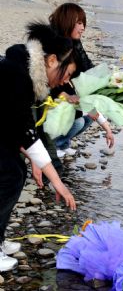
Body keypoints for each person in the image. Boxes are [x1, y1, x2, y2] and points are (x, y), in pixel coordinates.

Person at [0, 22, 77, 272]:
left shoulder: (24, 68)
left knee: (17, 171)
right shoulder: (18, 75)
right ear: (52, 60)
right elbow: (24, 130)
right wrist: (59, 183)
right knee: (9, 175)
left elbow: (18, 128)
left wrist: (35, 160)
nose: (64, 82)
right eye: (66, 75)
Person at [49, 3, 114, 157]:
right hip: (47, 106)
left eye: (83, 23)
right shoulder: (55, 50)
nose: (83, 28)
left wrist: (107, 128)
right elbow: (67, 94)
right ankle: (53, 146)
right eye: (79, 23)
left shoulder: (73, 45)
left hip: (61, 99)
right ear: (66, 21)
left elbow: (87, 70)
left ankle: (63, 144)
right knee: (79, 119)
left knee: (88, 117)